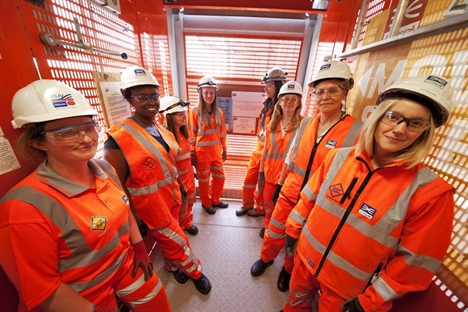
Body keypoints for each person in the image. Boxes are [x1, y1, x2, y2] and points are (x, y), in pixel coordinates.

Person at [284, 74, 455, 311]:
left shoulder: (429, 193)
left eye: (415, 123)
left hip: (349, 288)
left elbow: (415, 263)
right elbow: (308, 198)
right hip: (305, 260)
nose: (399, 129)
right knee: (295, 303)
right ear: (378, 116)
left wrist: (370, 300)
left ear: (425, 132)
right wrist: (293, 230)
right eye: (393, 117)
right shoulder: (339, 157)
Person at [0, 79, 171, 311]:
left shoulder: (104, 169)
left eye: (89, 127)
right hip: (82, 292)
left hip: (125, 265)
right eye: (67, 132)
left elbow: (123, 208)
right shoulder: (24, 207)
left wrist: (139, 248)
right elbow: (43, 291)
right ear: (37, 142)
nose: (86, 138)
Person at [250, 61, 363, 294]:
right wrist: (280, 185)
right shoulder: (306, 124)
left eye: (333, 90)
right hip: (291, 190)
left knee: (300, 240)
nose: (325, 96)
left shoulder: (357, 130)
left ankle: (288, 270)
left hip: (320, 201)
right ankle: (266, 258)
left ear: (345, 92)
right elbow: (291, 157)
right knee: (275, 230)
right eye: (320, 91)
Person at [104, 65, 211, 295]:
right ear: (128, 98)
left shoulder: (159, 129)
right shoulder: (118, 139)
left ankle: (173, 267)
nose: (151, 101)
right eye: (142, 96)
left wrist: (181, 187)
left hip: (172, 198)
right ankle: (196, 272)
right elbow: (116, 188)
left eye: (154, 95)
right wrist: (134, 220)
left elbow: (169, 165)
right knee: (179, 241)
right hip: (152, 209)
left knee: (171, 242)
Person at [236, 67, 288, 226]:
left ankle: (260, 208)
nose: (265, 89)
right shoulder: (269, 106)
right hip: (260, 150)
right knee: (249, 179)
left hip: (272, 154)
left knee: (263, 183)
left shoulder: (284, 108)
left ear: (279, 85)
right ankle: (247, 204)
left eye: (269, 85)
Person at [258, 81, 303, 238]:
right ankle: (267, 227)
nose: (289, 103)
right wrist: (261, 172)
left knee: (285, 208)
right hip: (271, 173)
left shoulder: (304, 125)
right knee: (268, 204)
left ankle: (282, 233)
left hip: (290, 177)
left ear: (299, 102)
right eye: (285, 99)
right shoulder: (272, 124)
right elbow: (265, 151)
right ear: (280, 101)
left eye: (293, 99)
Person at [187, 75, 228, 214]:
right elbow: (191, 134)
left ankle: (216, 199)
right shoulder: (194, 112)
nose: (209, 95)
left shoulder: (219, 112)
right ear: (200, 93)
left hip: (216, 152)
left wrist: (225, 148)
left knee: (220, 178)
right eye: (206, 92)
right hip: (202, 154)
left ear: (215, 93)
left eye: (211, 92)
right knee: (204, 181)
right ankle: (206, 203)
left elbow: (222, 133)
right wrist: (192, 153)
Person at [159, 95, 198, 236]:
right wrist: (180, 183)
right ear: (169, 116)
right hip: (177, 179)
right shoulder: (166, 138)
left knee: (190, 200)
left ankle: (187, 222)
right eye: (179, 114)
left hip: (188, 174)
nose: (184, 116)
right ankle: (180, 228)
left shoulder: (183, 133)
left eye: (184, 113)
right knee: (180, 203)